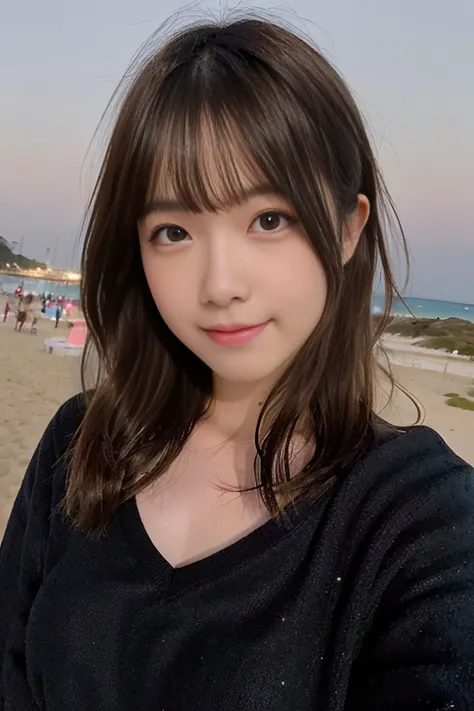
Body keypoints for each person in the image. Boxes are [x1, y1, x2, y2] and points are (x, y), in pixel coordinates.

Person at [0, 17, 473, 711]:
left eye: (268, 219)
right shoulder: (82, 445)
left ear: (348, 229)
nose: (220, 284)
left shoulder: (421, 525)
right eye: (173, 231)